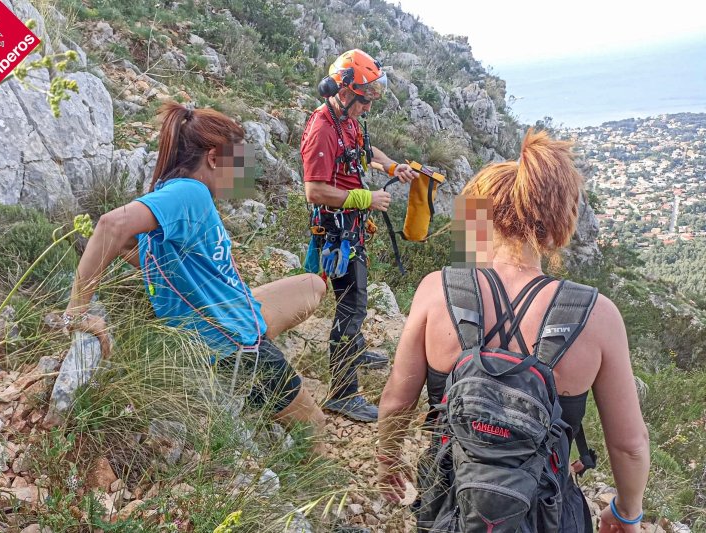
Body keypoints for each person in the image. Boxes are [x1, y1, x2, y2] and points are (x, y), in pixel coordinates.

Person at [376, 129, 650, 531]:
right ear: (557, 220)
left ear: (478, 217)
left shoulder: (437, 291)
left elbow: (397, 400)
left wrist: (388, 460)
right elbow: (629, 444)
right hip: (545, 513)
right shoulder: (598, 315)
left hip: (451, 504)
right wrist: (627, 511)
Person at [62, 102, 327, 449]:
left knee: (312, 286)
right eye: (240, 160)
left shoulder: (178, 194)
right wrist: (77, 312)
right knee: (316, 428)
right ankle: (306, 471)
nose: (244, 173)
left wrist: (169, 272)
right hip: (235, 349)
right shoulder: (191, 192)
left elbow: (130, 243)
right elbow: (111, 225)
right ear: (215, 158)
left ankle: (248, 336)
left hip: (229, 321)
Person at [300, 49, 418, 423]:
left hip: (350, 225)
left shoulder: (346, 119)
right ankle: (342, 392)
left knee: (352, 297)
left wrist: (391, 165)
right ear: (346, 91)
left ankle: (352, 347)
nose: (367, 108)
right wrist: (364, 197)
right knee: (353, 305)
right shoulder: (322, 128)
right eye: (365, 100)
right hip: (336, 229)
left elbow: (365, 151)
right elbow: (314, 190)